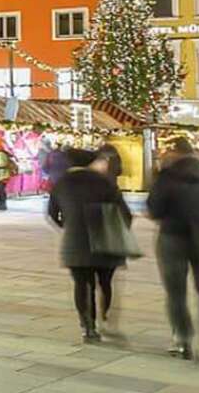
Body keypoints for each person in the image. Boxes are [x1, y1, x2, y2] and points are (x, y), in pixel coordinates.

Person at [48, 147, 133, 343]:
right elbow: (125, 214)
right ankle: (105, 318)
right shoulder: (105, 181)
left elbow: (52, 214)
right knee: (105, 283)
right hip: (106, 240)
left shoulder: (60, 184)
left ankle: (88, 327)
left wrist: (68, 227)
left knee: (82, 285)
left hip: (76, 242)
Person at [145, 137, 199, 359]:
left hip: (172, 237)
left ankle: (183, 340)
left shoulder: (167, 175)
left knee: (176, 293)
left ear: (174, 152)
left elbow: (154, 209)